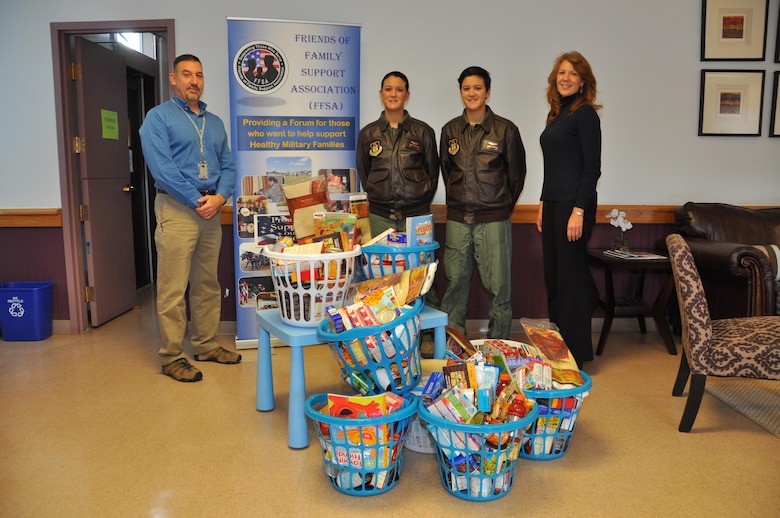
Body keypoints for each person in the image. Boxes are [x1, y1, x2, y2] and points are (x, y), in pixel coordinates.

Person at [139, 54, 241, 382]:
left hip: (211, 209)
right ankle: (171, 356)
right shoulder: (158, 118)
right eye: (186, 74)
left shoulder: (215, 123)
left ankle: (206, 344)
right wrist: (196, 199)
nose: (193, 80)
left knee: (207, 283)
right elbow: (162, 169)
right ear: (173, 79)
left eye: (198, 74)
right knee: (173, 285)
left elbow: (228, 165)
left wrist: (221, 197)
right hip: (177, 207)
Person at [439, 66, 526, 339]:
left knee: (499, 286)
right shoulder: (450, 130)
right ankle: (454, 343)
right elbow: (446, 170)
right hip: (458, 220)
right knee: (454, 284)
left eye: (477, 88)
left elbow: (516, 177)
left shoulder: (506, 130)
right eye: (466, 88)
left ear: (487, 92)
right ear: (460, 92)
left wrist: (498, 207)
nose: (472, 93)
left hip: (494, 220)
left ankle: (498, 345)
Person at [537, 51, 603, 369]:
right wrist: (541, 204)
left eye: (572, 73)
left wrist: (578, 210)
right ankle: (558, 349)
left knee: (572, 279)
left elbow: (592, 169)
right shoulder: (556, 115)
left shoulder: (585, 114)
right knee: (555, 277)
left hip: (574, 206)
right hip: (553, 203)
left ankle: (576, 353)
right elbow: (554, 167)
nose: (565, 78)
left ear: (582, 81)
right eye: (561, 72)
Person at [356, 71, 439, 237]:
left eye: (399, 90)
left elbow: (433, 175)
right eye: (388, 89)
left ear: (407, 95)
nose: (393, 94)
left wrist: (418, 203)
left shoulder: (423, 132)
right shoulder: (368, 134)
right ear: (381, 94)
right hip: (380, 216)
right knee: (382, 263)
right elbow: (365, 174)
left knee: (418, 263)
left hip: (417, 216)